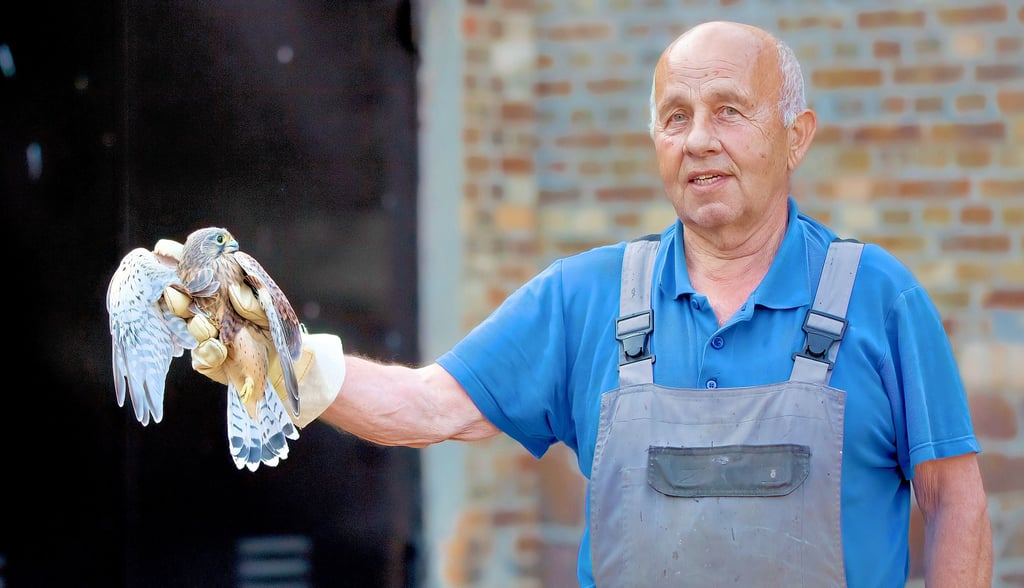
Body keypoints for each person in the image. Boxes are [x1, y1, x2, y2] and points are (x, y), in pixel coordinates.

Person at [187, 20, 992, 587]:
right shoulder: (586, 299)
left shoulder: (879, 298)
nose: (699, 140)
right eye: (675, 118)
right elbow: (429, 406)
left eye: (729, 112)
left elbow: (954, 500)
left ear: (798, 136)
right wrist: (286, 355)